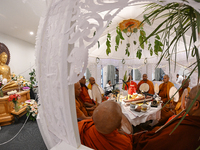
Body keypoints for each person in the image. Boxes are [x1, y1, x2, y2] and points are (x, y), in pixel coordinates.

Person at [132, 85, 200, 150]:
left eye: (188, 98)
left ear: (196, 105)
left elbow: (157, 144)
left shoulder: (185, 128)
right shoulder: (191, 121)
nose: (186, 100)